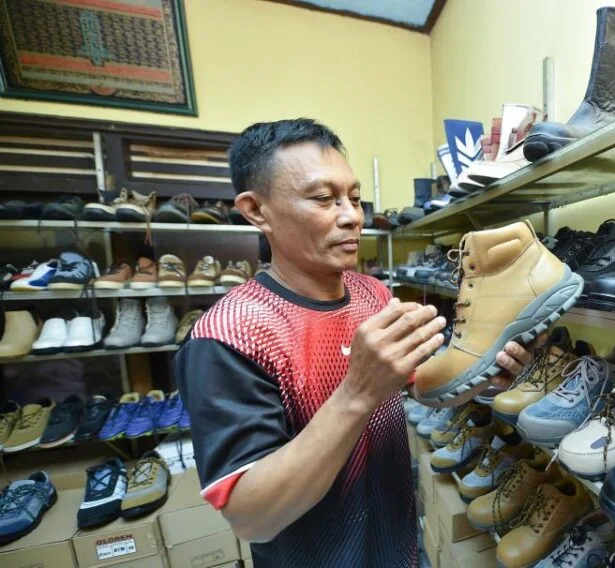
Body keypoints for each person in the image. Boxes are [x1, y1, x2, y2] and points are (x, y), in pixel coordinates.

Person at [174, 118, 534, 568]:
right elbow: (252, 518)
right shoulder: (229, 335)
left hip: (397, 547)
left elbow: (421, 386)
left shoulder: (372, 294)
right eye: (323, 199)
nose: (351, 217)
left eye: (355, 198)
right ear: (256, 210)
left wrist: (483, 376)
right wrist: (357, 392)